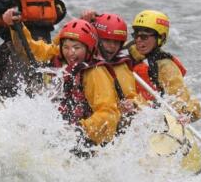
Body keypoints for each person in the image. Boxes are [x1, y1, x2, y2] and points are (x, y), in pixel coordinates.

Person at [7, 16, 121, 156]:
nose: (70, 52)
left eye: (76, 48)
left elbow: (108, 113)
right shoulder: (58, 56)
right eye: (66, 47)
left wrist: (80, 130)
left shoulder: (95, 72)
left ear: (89, 49)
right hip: (61, 131)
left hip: (86, 141)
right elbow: (32, 50)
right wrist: (16, 27)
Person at [128, 10, 201, 123]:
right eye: (136, 35)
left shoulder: (166, 67)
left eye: (144, 37)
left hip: (152, 116)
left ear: (160, 37)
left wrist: (186, 114)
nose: (138, 40)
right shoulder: (128, 51)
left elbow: (180, 98)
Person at [81, 11, 147, 123]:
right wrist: (82, 24)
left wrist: (134, 104)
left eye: (116, 42)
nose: (112, 46)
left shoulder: (122, 65)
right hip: (84, 123)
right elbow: (54, 50)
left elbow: (135, 98)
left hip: (110, 125)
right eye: (107, 40)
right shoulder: (77, 57)